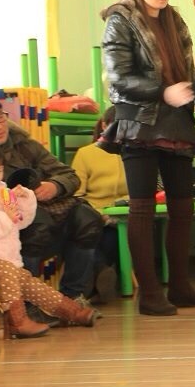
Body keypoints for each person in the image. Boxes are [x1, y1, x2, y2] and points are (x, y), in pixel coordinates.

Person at [101, 0, 195, 316]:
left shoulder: (175, 21)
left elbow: (185, 74)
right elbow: (118, 79)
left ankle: (179, 287)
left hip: (176, 122)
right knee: (142, 208)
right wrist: (162, 92)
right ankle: (149, 294)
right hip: (139, 123)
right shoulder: (120, 21)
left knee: (183, 207)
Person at [0, 97, 101, 303]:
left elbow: (69, 175)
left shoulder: (24, 144)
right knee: (37, 226)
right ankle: (27, 302)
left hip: (50, 210)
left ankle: (73, 296)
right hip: (7, 224)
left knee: (88, 219)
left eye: (0, 117)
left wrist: (55, 186)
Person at [0, 143, 97, 338]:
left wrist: (24, 199)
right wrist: (8, 216)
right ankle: (17, 322)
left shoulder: (2, 191)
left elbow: (21, 222)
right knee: (8, 272)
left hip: (6, 260)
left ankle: (73, 312)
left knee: (31, 284)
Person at [72, 106, 127, 303]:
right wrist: (98, 214)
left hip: (124, 211)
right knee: (93, 233)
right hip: (94, 211)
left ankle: (95, 280)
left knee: (113, 234)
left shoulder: (134, 152)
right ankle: (100, 274)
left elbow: (148, 187)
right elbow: (77, 193)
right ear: (104, 125)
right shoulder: (85, 153)